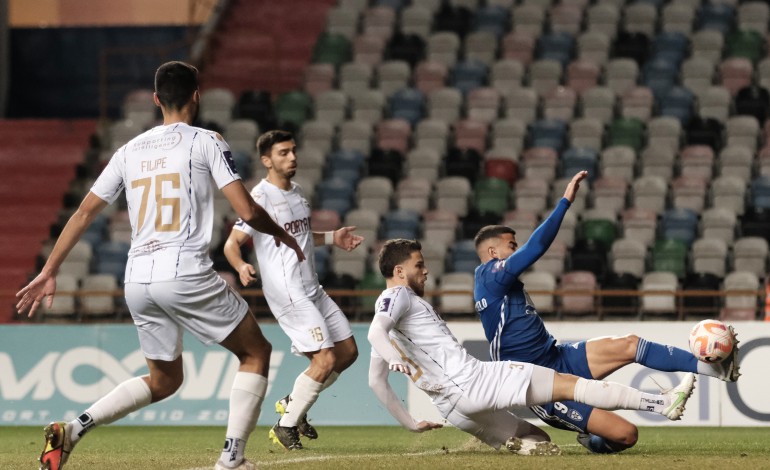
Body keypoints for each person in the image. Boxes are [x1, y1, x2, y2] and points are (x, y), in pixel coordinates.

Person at [16, 61, 305, 470]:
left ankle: (73, 428)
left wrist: (49, 270)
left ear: (156, 101)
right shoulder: (207, 141)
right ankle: (232, 459)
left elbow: (83, 213)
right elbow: (245, 208)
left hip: (137, 279)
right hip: (183, 271)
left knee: (165, 380)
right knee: (256, 352)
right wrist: (282, 234)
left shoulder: (128, 150)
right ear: (196, 96)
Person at [473, 170, 741, 454]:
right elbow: (537, 246)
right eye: (511, 246)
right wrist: (565, 201)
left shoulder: (500, 280)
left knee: (630, 344)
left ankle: (716, 368)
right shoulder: (490, 275)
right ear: (492, 252)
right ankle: (593, 439)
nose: (516, 251)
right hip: (540, 386)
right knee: (626, 434)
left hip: (556, 357)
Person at [368, 239, 697, 455]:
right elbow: (374, 334)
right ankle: (663, 403)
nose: (425, 271)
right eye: (418, 265)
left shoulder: (391, 316)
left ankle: (523, 449)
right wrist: (394, 357)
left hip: (453, 409)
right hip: (474, 381)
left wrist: (411, 423)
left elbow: (375, 381)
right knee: (570, 386)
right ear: (399, 271)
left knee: (538, 439)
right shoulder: (397, 297)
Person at [223, 130, 361, 450]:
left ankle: (293, 402)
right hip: (288, 292)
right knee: (325, 359)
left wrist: (331, 238)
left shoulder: (298, 193)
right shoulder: (259, 197)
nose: (292, 157)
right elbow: (232, 243)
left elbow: (300, 235)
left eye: (293, 151)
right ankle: (286, 425)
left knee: (348, 353)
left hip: (312, 288)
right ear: (266, 160)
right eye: (283, 153)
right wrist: (241, 265)